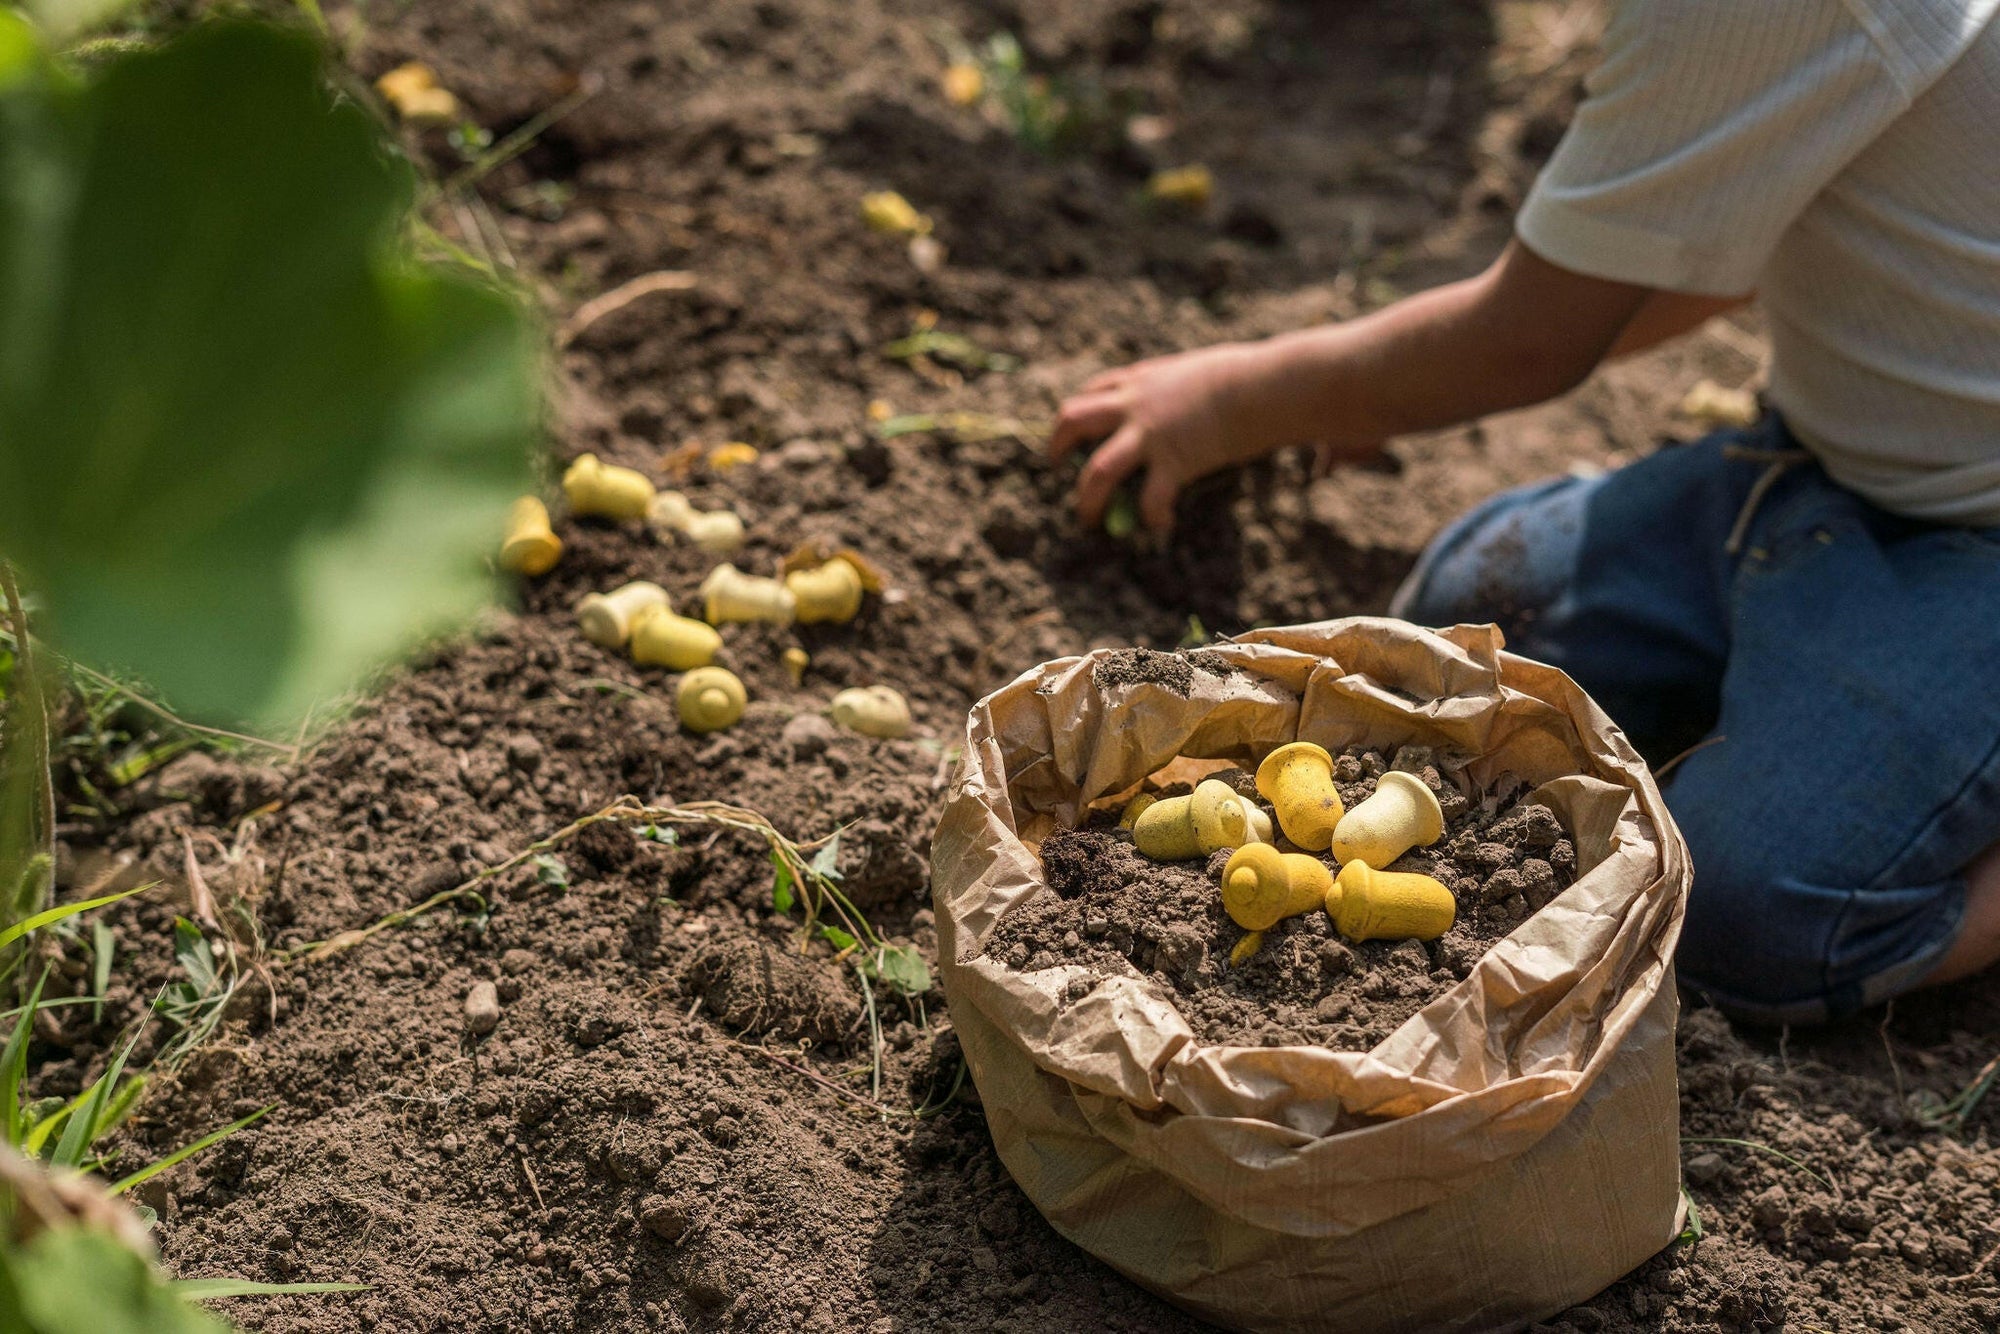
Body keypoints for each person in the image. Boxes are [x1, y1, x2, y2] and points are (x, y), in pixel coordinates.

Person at [1047, 0, 2000, 1025]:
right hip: (1836, 450)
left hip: (1976, 530)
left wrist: (1232, 403)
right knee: (1466, 620)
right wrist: (1375, 385)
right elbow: (1682, 247)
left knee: (1745, 919)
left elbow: (1523, 338)